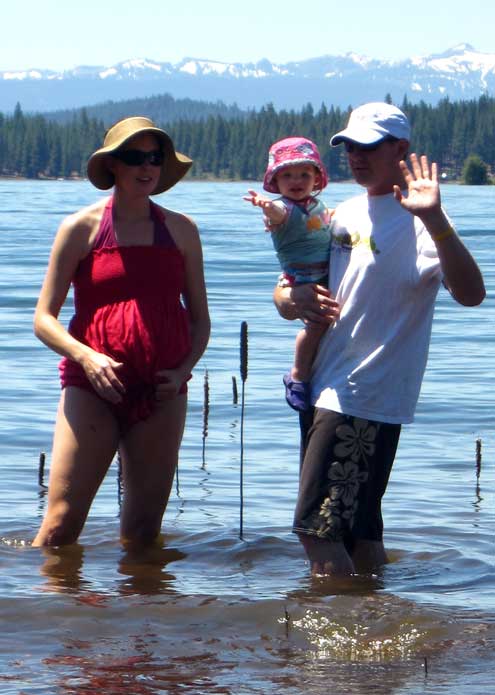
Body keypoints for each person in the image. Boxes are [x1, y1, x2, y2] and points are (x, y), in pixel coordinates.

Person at [273, 102, 485, 576]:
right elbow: (292, 285)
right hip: (323, 386)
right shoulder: (341, 213)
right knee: (358, 532)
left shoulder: (421, 219)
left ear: (401, 149)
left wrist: (436, 218)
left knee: (316, 530)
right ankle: (377, 632)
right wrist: (290, 297)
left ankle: (330, 645)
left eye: (368, 146)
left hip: (363, 396)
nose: (356, 156)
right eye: (348, 146)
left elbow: (472, 294)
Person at [32, 116, 210, 547]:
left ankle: (140, 614)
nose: (146, 167)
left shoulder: (181, 230)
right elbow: (43, 318)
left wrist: (183, 370)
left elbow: (200, 320)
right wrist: (87, 357)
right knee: (59, 527)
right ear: (113, 164)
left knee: (143, 534)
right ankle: (45, 612)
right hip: (93, 387)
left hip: (162, 392)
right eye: (134, 157)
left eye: (154, 157)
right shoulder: (81, 228)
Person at [244, 137, 332, 411]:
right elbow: (276, 212)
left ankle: (308, 372)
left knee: (323, 325)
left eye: (304, 174)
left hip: (323, 275)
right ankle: (297, 375)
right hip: (302, 277)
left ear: (316, 179)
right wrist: (265, 205)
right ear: (277, 181)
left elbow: (326, 222)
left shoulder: (318, 207)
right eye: (288, 175)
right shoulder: (284, 208)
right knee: (316, 325)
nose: (297, 180)